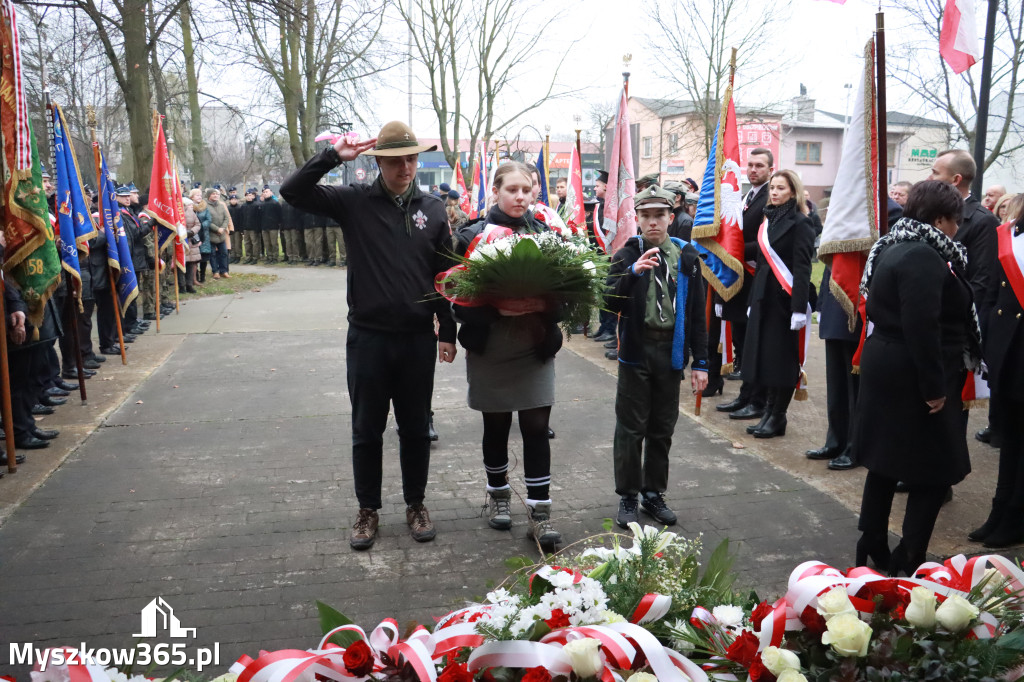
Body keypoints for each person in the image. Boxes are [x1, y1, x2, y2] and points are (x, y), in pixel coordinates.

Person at [280, 120, 457, 551]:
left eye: (412, 158)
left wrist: (447, 332)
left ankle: (416, 504)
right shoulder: (354, 201)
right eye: (396, 161)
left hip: (416, 339)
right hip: (369, 339)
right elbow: (292, 192)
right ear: (379, 162)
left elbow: (445, 275)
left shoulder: (433, 209)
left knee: (416, 429)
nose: (406, 168)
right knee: (366, 430)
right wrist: (330, 157)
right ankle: (368, 510)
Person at [854, 180, 979, 575]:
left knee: (885, 460)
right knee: (935, 470)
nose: (958, 229)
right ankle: (909, 557)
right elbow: (922, 325)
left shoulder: (891, 245)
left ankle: (871, 540)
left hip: (888, 362)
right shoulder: (925, 256)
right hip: (915, 369)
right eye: (955, 221)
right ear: (941, 219)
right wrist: (935, 388)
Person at [451, 161, 563, 550]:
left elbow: (567, 299)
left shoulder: (546, 234)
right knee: (496, 427)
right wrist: (496, 309)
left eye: (526, 190)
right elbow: (455, 300)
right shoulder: (472, 235)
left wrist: (543, 306)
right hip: (492, 346)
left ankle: (540, 515)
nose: (520, 197)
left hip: (534, 345)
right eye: (511, 189)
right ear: (495, 191)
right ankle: (498, 498)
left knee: (536, 427)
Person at [605, 185, 709, 529]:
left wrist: (702, 363)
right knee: (631, 429)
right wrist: (631, 274)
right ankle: (628, 496)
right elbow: (609, 303)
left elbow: (697, 315)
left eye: (659, 215)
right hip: (637, 353)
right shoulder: (626, 254)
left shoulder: (687, 257)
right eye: (646, 215)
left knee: (662, 429)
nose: (653, 222)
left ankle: (653, 493)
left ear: (670, 217)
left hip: (671, 353)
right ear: (637, 219)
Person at [739, 170, 815, 439]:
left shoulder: (801, 223)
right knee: (766, 359)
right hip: (763, 299)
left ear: (793, 192)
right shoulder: (767, 221)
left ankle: (778, 416)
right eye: (772, 188)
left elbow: (803, 268)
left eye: (781, 188)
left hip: (785, 302)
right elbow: (761, 266)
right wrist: (752, 300)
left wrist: (798, 308)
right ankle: (768, 412)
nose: (774, 192)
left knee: (781, 361)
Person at [971, 206, 1024, 547]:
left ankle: (1017, 516)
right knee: (1009, 436)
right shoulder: (1009, 234)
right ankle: (1000, 509)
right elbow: (992, 295)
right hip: (1007, 348)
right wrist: (987, 347)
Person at [715, 148, 773, 414]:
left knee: (753, 342)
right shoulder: (747, 195)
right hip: (739, 275)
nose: (753, 170)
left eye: (759, 165)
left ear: (770, 170)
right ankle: (744, 396)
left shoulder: (769, 199)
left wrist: (734, 251)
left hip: (755, 274)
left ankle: (755, 399)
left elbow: (765, 242)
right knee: (740, 336)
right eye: (749, 165)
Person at [206, 188, 231, 279]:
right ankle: (215, 271)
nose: (216, 195)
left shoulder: (221, 205)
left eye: (217, 194)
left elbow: (226, 218)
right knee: (212, 254)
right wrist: (217, 229)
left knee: (224, 253)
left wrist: (223, 228)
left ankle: (224, 271)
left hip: (222, 234)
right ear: (209, 196)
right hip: (212, 234)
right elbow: (207, 220)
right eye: (213, 194)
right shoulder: (205, 206)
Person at [259, 186, 283, 264]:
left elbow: (280, 215)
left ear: (270, 192)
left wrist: (278, 224)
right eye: (264, 192)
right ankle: (269, 257)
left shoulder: (275, 203)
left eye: (267, 192)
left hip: (273, 227)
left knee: (274, 243)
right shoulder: (262, 204)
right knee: (267, 243)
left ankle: (275, 257)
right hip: (264, 227)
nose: (265, 193)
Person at [241, 188, 261, 264]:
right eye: (247, 195)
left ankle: (255, 257)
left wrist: (258, 228)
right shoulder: (243, 206)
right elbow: (241, 217)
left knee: (255, 243)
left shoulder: (256, 205)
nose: (249, 197)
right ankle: (248, 257)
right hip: (246, 228)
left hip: (254, 228)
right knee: (246, 243)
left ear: (253, 196)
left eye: (250, 195)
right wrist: (242, 228)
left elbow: (258, 218)